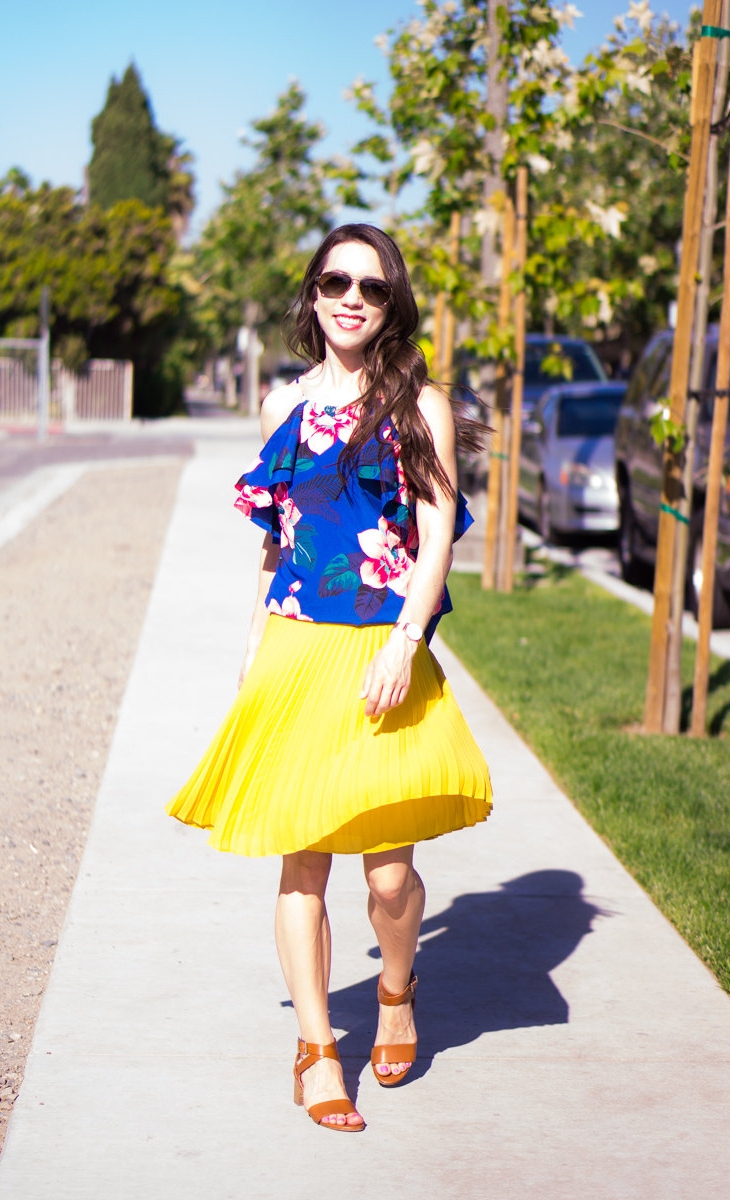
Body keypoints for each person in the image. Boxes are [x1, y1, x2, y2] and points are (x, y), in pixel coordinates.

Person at [166, 223, 492, 1132]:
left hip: (384, 651)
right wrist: (253, 641)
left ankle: (396, 990)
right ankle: (317, 1049)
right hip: (296, 650)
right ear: (312, 295)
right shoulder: (282, 407)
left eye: (372, 287)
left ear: (394, 305)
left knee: (390, 879)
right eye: (335, 281)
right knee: (302, 860)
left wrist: (405, 640)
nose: (352, 297)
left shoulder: (418, 403)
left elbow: (435, 542)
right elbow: (281, 547)